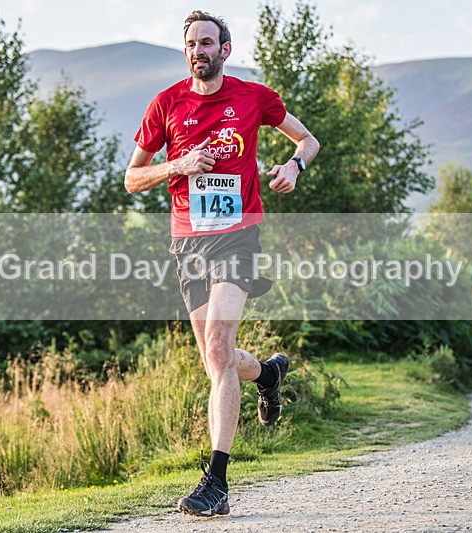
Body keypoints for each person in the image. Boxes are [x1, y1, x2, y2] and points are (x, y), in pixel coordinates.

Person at [124, 10, 319, 517]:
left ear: (225, 49)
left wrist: (293, 168)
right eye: (191, 44)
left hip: (237, 238)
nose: (198, 51)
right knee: (219, 360)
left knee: (216, 343)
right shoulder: (166, 104)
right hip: (187, 243)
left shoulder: (254, 97)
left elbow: (308, 139)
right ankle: (268, 375)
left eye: (207, 43)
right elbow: (132, 178)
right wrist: (179, 165)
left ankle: (217, 482)